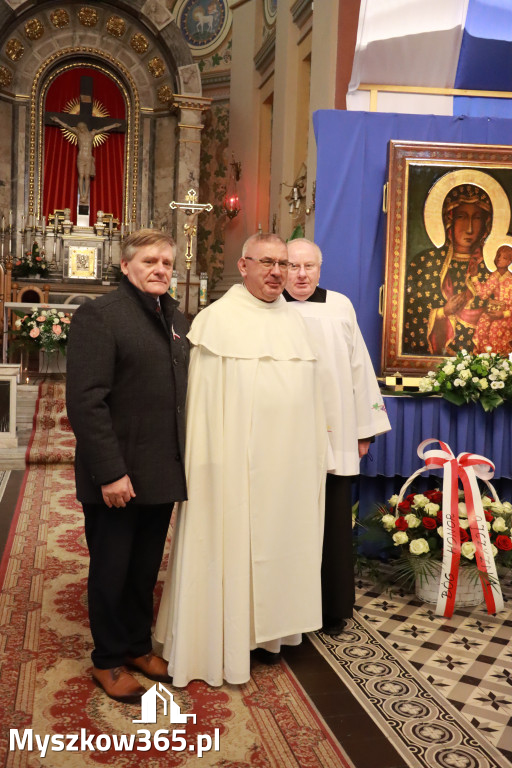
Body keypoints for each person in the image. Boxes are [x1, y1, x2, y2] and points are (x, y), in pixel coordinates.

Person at [154, 233, 327, 687]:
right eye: (267, 263)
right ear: (244, 264)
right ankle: (222, 637)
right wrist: (209, 469)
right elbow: (204, 412)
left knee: (278, 542)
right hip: (229, 468)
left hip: (284, 470)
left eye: (283, 264)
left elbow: (311, 402)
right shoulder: (217, 321)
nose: (277, 272)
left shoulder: (298, 322)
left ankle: (270, 636)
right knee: (228, 544)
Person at [66, 229, 189, 702]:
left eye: (166, 263)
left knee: (143, 568)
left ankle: (137, 645)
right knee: (112, 568)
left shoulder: (175, 318)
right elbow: (86, 402)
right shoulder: (101, 316)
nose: (160, 269)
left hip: (160, 470)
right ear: (126, 265)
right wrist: (111, 473)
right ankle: (108, 659)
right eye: (150, 262)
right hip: (117, 473)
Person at [284, 238, 391, 633]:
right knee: (288, 524)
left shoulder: (339, 306)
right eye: (293, 266)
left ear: (319, 268)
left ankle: (331, 609)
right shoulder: (267, 308)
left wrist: (364, 432)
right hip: (283, 440)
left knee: (331, 524)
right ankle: (287, 610)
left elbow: (360, 368)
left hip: (335, 435)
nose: (300, 274)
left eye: (308, 266)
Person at [402, 184, 492, 356]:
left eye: (477, 218)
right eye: (462, 217)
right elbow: (410, 321)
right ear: (449, 219)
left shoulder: (491, 272)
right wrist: (443, 312)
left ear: (486, 223)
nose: (470, 228)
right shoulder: (424, 264)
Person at [51, 116, 121, 204]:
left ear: (84, 127)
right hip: (81, 157)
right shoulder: (78, 133)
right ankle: (81, 194)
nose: (80, 129)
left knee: (87, 176)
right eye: (79, 128)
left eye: (81, 127)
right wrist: (58, 120)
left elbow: (103, 129)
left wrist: (113, 126)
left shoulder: (92, 133)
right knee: (81, 175)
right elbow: (67, 127)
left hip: (88, 157)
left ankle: (86, 195)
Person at [471, 244, 512, 355]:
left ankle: (498, 362)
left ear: (509, 261)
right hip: (495, 311)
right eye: (497, 255)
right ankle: (484, 360)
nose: (498, 259)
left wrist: (503, 314)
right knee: (483, 321)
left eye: (503, 257)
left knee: (495, 328)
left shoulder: (511, 279)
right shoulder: (495, 276)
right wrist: (474, 277)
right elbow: (483, 295)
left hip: (508, 316)